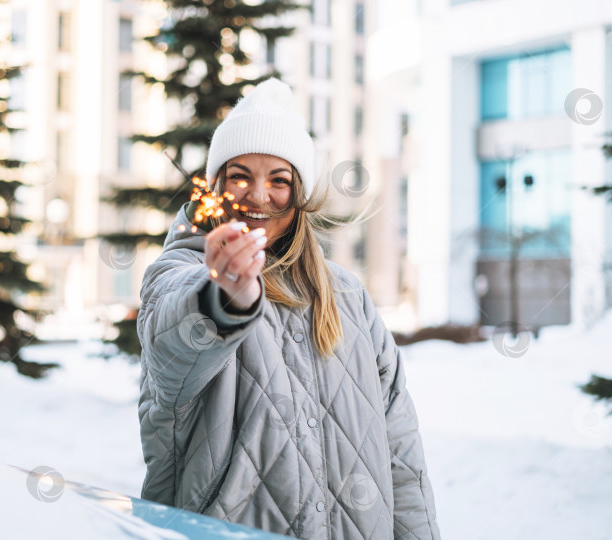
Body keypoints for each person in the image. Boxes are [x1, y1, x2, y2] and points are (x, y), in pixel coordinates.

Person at [137, 77, 441, 539]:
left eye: (279, 180)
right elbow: (172, 350)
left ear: (299, 193)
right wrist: (226, 297)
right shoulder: (182, 271)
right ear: (216, 186)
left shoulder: (348, 296)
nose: (259, 196)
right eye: (240, 176)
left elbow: (401, 451)